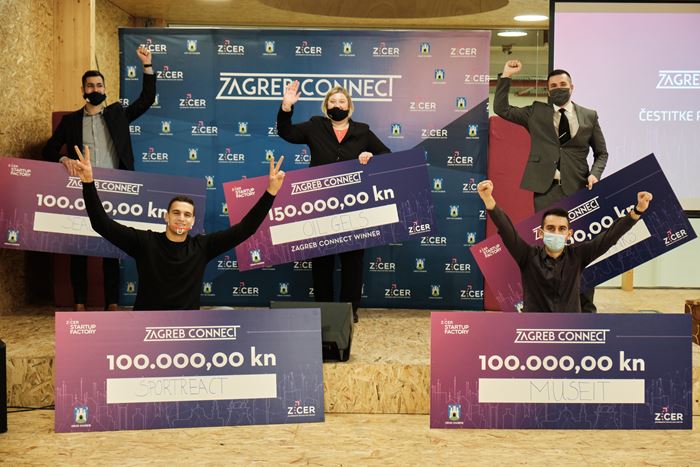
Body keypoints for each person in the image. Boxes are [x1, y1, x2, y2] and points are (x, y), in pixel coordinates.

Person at [69, 145, 285, 311]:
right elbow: (102, 224)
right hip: (146, 326)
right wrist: (88, 183)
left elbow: (246, 229)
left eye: (187, 215)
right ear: (166, 216)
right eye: (176, 213)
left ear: (192, 222)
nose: (181, 218)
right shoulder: (145, 242)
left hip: (185, 329)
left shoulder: (202, 246)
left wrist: (271, 192)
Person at [42, 46, 156, 311]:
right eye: (90, 86)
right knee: (79, 248)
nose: (95, 89)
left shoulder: (118, 114)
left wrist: (147, 65)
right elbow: (48, 149)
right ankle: (79, 304)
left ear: (105, 89)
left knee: (111, 249)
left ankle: (112, 303)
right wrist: (64, 159)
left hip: (116, 191)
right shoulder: (70, 122)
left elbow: (147, 99)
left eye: (99, 85)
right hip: (82, 191)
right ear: (83, 90)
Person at [494, 60, 609, 312]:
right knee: (546, 248)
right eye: (553, 86)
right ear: (548, 90)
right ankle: (542, 305)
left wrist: (595, 174)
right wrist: (506, 75)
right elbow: (501, 108)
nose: (559, 88)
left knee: (580, 252)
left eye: (562, 84)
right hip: (545, 190)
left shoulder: (589, 115)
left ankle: (585, 308)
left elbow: (601, 153)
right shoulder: (536, 112)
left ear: (572, 87)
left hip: (579, 189)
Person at [277, 81, 391, 322]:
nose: (337, 105)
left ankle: (350, 311)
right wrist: (286, 107)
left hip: (354, 207)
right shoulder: (315, 126)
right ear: (325, 106)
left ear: (350, 106)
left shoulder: (362, 131)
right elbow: (286, 133)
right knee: (322, 262)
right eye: (332, 101)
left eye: (342, 101)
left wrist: (370, 154)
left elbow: (386, 155)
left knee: (353, 262)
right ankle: (324, 311)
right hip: (321, 206)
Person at [477, 179, 652, 313]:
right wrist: (488, 199)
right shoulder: (528, 256)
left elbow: (610, 237)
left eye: (561, 229)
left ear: (569, 234)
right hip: (534, 331)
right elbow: (507, 231)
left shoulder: (578, 255)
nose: (556, 232)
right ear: (541, 233)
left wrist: (637, 211)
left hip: (570, 330)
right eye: (550, 228)